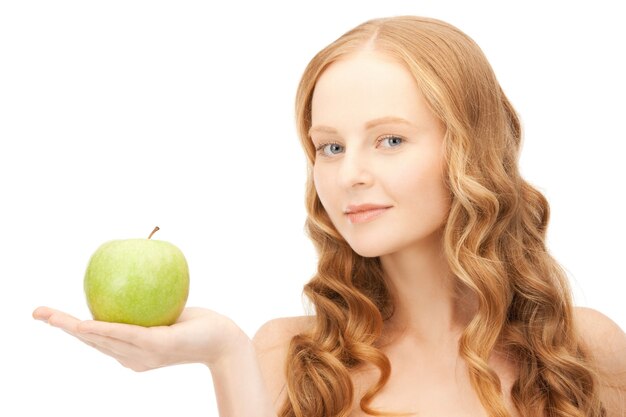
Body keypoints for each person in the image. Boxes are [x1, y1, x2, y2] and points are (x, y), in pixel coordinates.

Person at [33, 16, 625, 417]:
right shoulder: (287, 356)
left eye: (390, 140)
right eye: (331, 146)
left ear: (470, 150)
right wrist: (224, 355)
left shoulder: (580, 349)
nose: (349, 175)